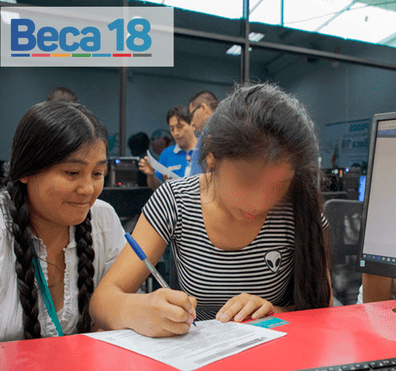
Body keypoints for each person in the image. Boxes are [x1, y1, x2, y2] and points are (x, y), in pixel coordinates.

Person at [90, 82, 332, 338]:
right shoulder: (177, 201)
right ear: (212, 157)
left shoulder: (298, 207)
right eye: (246, 180)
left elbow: (323, 308)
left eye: (278, 185)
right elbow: (102, 302)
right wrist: (141, 309)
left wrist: (276, 313)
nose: (259, 203)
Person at [0, 101, 126, 341]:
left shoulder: (103, 218)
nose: (88, 189)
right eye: (72, 173)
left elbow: (116, 314)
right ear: (25, 170)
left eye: (98, 174)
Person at [138, 105, 197, 191]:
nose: (176, 133)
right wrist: (151, 175)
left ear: (193, 125)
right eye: (172, 129)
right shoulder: (167, 154)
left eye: (180, 127)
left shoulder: (205, 150)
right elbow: (156, 187)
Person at [186, 90, 219, 177]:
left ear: (204, 108)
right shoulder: (224, 128)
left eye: (192, 115)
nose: (192, 123)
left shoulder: (209, 132)